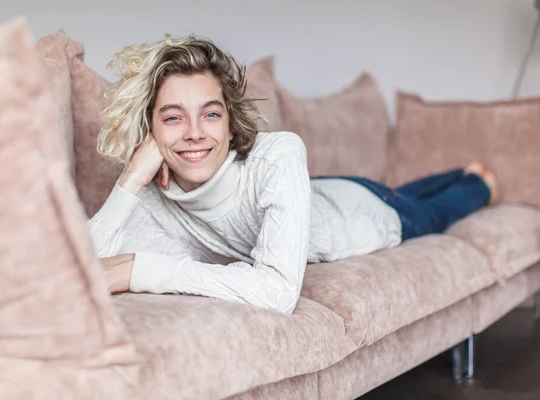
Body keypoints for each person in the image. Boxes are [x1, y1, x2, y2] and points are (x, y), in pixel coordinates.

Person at [88, 35, 497, 314]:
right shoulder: (152, 192)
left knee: (432, 210)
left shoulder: (279, 152)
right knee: (400, 191)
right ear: (151, 131)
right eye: (173, 117)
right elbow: (82, 266)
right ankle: (462, 172)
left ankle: (478, 180)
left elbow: (278, 292)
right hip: (322, 194)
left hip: (362, 214)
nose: (195, 132)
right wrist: (130, 180)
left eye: (210, 114)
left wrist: (140, 270)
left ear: (230, 124)